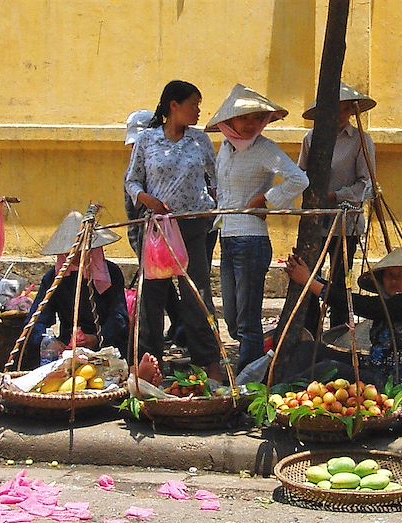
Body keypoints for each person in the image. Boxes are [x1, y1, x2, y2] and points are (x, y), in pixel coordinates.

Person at [204, 84, 308, 374]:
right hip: (227, 236)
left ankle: (247, 378)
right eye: (244, 118)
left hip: (251, 239)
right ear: (229, 122)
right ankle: (260, 362)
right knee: (233, 319)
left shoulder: (265, 148)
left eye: (256, 118)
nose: (250, 124)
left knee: (248, 319)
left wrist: (266, 200)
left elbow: (298, 180)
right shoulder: (224, 149)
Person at [124, 80, 223, 381]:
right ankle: (147, 364)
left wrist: (212, 212)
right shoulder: (147, 141)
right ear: (174, 106)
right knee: (152, 297)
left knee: (197, 295)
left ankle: (209, 362)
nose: (198, 110)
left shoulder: (200, 142)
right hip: (156, 228)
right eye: (193, 104)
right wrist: (146, 199)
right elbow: (132, 181)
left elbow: (216, 181)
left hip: (193, 227)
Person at [284, 248, 402, 388]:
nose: (395, 280)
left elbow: (361, 305)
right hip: (371, 368)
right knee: (309, 349)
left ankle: (284, 396)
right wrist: (312, 278)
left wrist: (309, 282)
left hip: (391, 384)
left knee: (325, 369)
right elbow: (345, 297)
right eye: (390, 275)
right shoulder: (389, 300)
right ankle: (276, 393)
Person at [299, 82, 376, 330]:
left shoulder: (361, 141)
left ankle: (340, 331)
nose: (337, 114)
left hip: (346, 224)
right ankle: (309, 331)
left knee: (341, 279)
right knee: (311, 275)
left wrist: (334, 195)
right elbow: (300, 176)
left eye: (343, 109)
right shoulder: (311, 138)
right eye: (333, 109)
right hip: (315, 221)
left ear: (350, 112)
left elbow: (367, 185)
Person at [23, 212, 128, 369]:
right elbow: (36, 320)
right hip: (68, 347)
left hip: (107, 345)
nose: (77, 256)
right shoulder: (55, 278)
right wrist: (51, 343)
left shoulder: (111, 273)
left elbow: (119, 317)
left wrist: (96, 338)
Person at [123, 109, 186, 349]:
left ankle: (181, 326)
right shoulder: (132, 175)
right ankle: (152, 346)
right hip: (149, 240)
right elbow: (133, 216)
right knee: (155, 288)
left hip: (178, 237)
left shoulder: (172, 163)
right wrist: (141, 250)